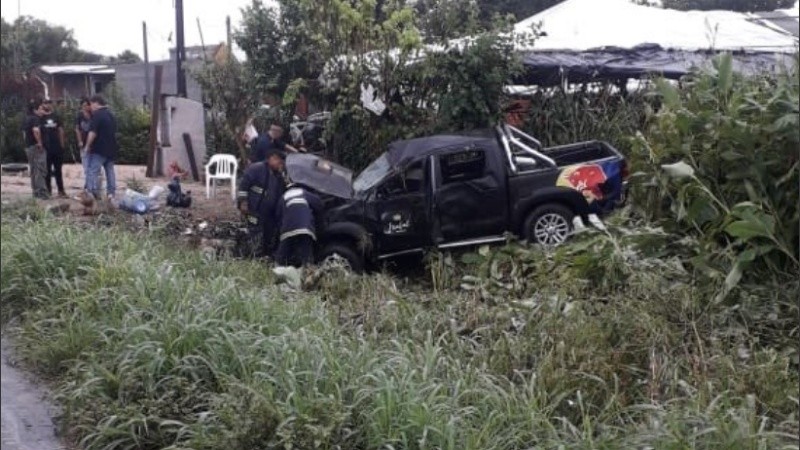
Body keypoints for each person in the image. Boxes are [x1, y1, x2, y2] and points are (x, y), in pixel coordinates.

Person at [237, 150, 287, 257]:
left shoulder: (278, 175)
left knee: (268, 234)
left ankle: (264, 255)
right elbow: (243, 185)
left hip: (270, 214)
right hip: (255, 209)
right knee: (255, 233)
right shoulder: (257, 168)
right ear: (272, 158)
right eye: (279, 161)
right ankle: (252, 256)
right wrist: (243, 202)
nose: (280, 164)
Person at [274, 182, 324, 267]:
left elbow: (278, 216)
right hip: (305, 228)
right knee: (306, 254)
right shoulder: (303, 192)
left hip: (288, 229)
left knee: (282, 255)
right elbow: (319, 204)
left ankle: (276, 270)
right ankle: (308, 272)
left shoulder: (283, 197)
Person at [84, 94, 118, 201]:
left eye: (91, 104)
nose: (91, 107)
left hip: (99, 149)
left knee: (92, 170)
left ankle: (91, 192)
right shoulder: (111, 115)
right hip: (111, 148)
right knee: (110, 171)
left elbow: (92, 132)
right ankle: (111, 193)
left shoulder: (97, 115)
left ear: (96, 103)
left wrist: (87, 146)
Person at [22, 99, 48, 199]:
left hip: (29, 147)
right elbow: (36, 130)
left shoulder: (26, 118)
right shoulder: (35, 119)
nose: (43, 110)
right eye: (41, 108)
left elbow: (24, 134)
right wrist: (40, 143)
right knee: (40, 170)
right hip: (36, 147)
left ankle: (35, 192)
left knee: (33, 170)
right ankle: (41, 193)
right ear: (35, 109)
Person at [41, 99, 67, 198]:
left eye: (49, 103)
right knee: (47, 171)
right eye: (45, 103)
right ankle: (48, 191)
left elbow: (60, 130)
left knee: (58, 170)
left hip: (56, 147)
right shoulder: (41, 118)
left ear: (51, 105)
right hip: (46, 148)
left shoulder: (56, 116)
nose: (47, 105)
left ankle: (61, 190)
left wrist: (62, 144)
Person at [74, 98, 92, 190]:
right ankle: (88, 184)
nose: (85, 107)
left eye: (87, 105)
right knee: (86, 165)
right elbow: (77, 129)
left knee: (93, 166)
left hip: (93, 144)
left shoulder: (93, 115)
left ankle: (91, 184)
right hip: (84, 142)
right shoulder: (79, 116)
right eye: (83, 105)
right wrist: (79, 141)